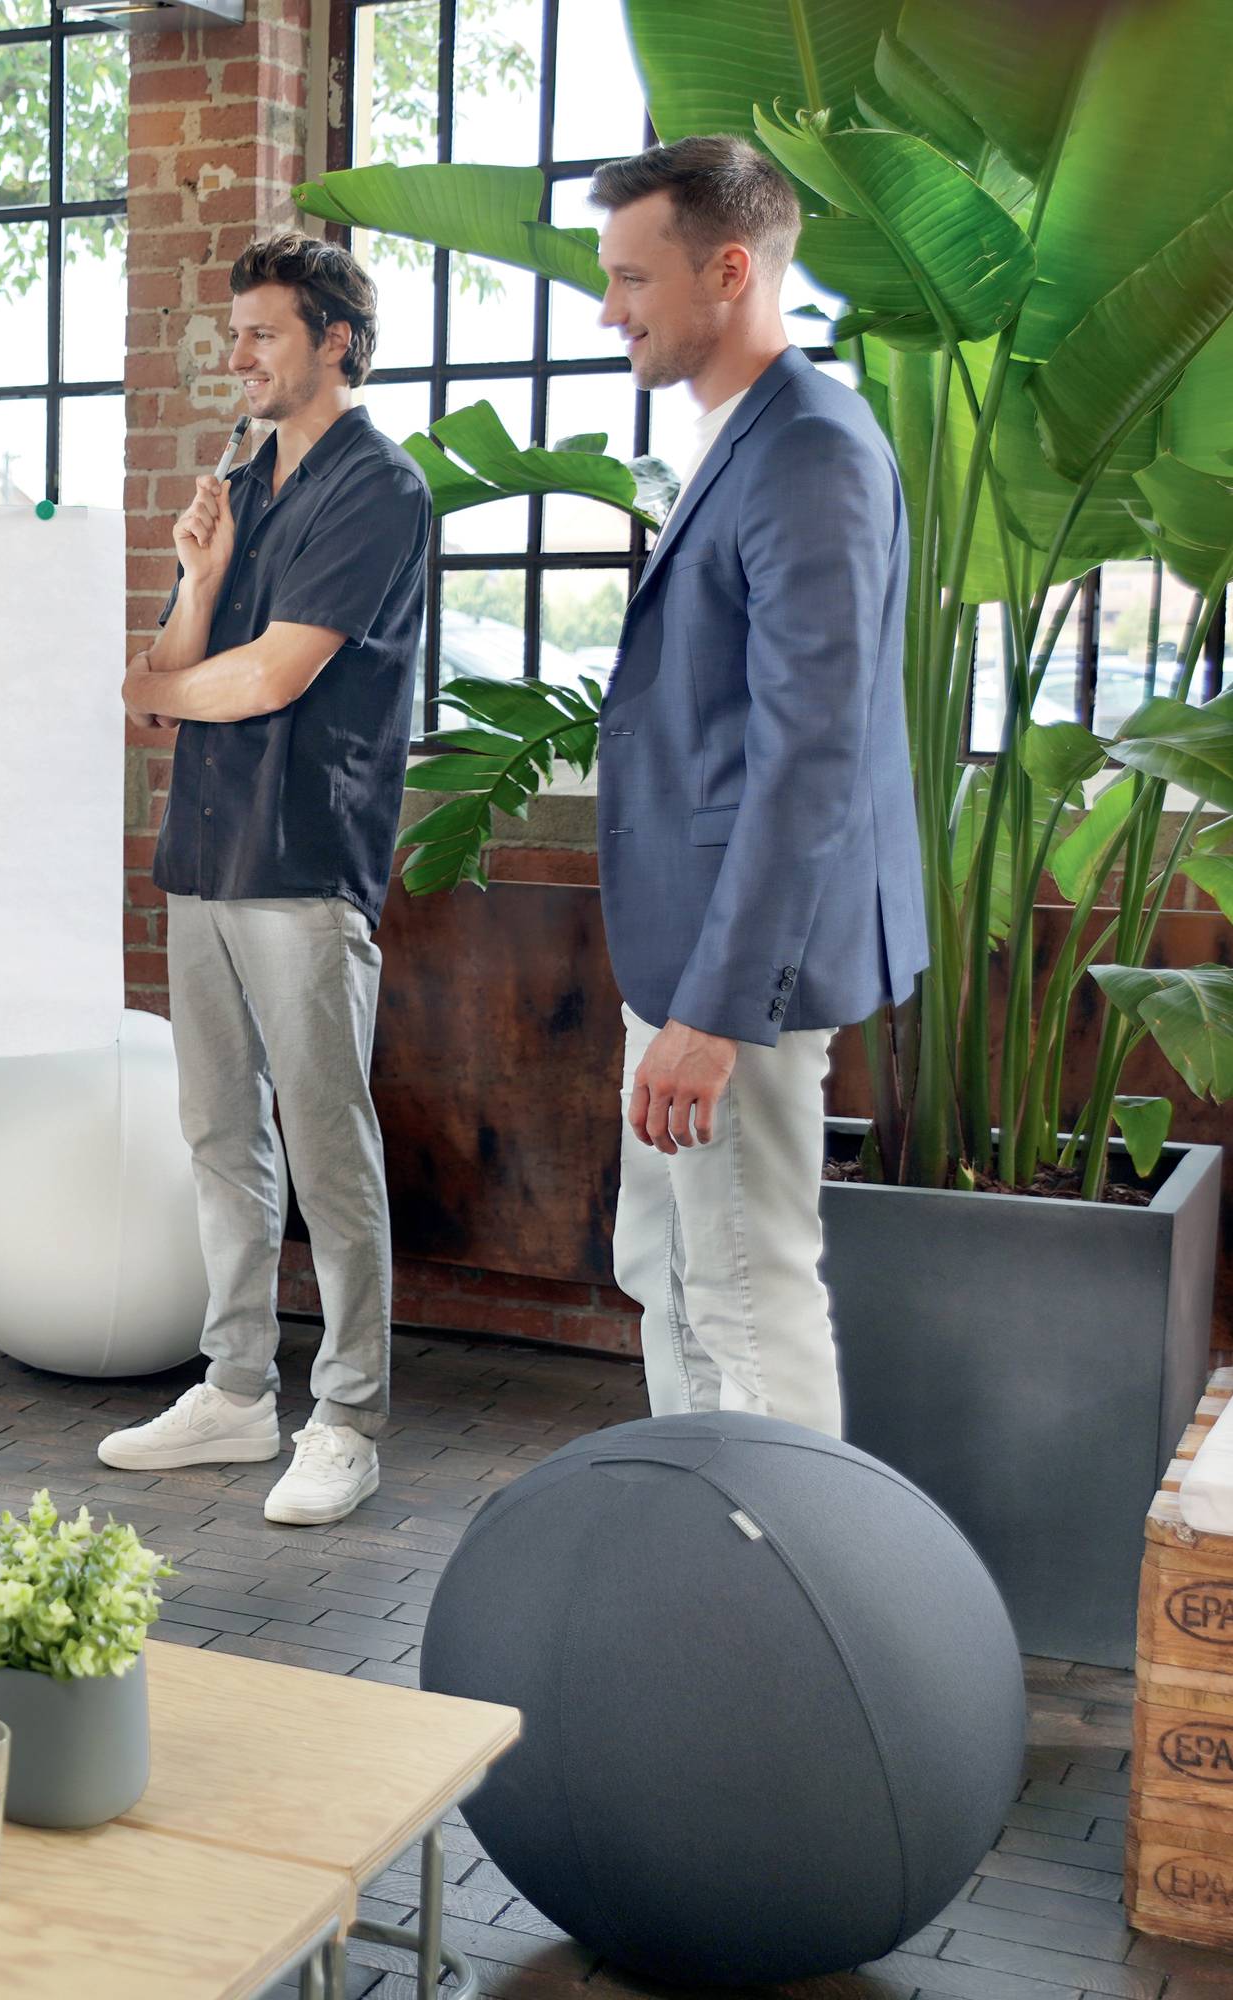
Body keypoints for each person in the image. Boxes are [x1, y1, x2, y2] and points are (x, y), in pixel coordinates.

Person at [588, 137, 919, 1435]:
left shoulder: (810, 450)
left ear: (729, 270)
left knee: (745, 1299)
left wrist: (717, 1014)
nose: (611, 309)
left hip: (737, 985)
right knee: (664, 1274)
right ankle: (695, 1552)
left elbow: (810, 755)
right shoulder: (745, 437)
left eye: (632, 278)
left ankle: (781, 1616)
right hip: (682, 960)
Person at [99, 233, 431, 1528]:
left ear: (334, 341)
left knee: (328, 1146)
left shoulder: (377, 487)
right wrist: (199, 576)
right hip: (207, 855)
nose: (234, 355)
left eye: (261, 334)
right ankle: (238, 1390)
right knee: (219, 1136)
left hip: (303, 858)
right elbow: (185, 669)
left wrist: (158, 690)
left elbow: (275, 676)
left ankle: (346, 1416)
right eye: (232, 333)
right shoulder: (245, 476)